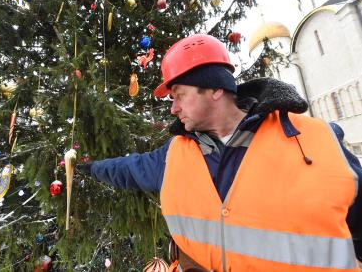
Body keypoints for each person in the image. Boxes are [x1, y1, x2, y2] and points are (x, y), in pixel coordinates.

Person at [80, 34, 362, 272]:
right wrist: (90, 168)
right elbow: (130, 170)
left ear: (215, 89)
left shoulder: (316, 139)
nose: (173, 108)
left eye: (179, 95)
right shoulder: (174, 154)